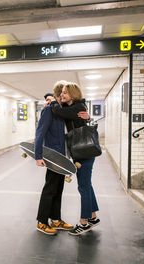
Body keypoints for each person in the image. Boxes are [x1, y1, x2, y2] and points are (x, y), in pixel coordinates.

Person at [50, 82, 100, 236]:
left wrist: (52, 101)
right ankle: (93, 216)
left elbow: (60, 112)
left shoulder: (78, 107)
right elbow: (62, 110)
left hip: (84, 152)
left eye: (65, 93)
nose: (61, 95)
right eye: (61, 93)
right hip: (82, 152)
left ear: (73, 94)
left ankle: (84, 222)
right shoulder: (73, 107)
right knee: (87, 184)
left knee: (83, 187)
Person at [34, 81, 74, 235]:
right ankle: (42, 221)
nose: (66, 96)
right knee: (50, 189)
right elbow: (40, 133)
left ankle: (56, 220)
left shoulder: (62, 110)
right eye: (64, 93)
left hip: (62, 156)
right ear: (59, 94)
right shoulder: (49, 110)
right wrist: (38, 156)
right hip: (52, 156)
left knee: (59, 189)